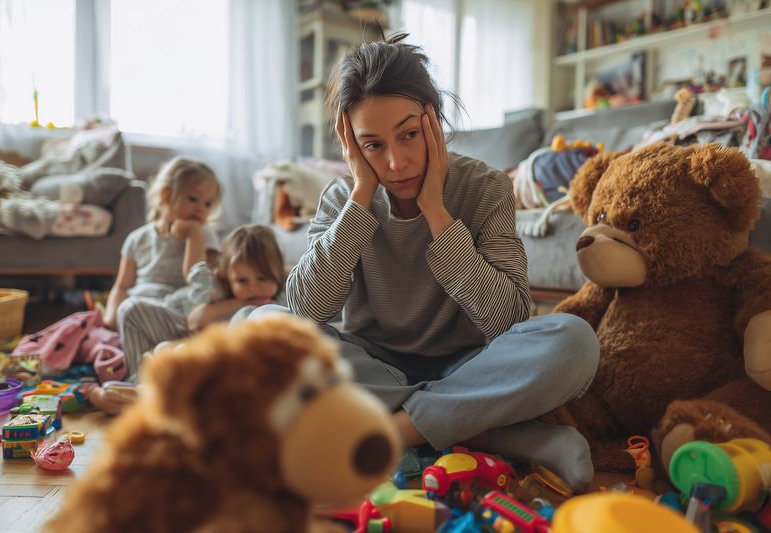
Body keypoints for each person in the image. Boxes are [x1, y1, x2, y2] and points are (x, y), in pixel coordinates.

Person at [263, 33, 600, 491]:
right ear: (351, 146)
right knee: (258, 326)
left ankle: (393, 431)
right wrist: (360, 199)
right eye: (373, 145)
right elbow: (307, 310)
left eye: (409, 135)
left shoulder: (485, 187)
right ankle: (489, 432)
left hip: (468, 366)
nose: (396, 163)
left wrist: (437, 214)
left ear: (434, 121)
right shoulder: (344, 198)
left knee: (575, 341)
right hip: (373, 366)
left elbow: (509, 320)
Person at [89, 156, 221, 412]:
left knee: (131, 308)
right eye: (193, 199)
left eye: (208, 203)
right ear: (166, 195)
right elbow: (122, 286)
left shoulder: (205, 234)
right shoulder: (136, 239)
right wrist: (110, 316)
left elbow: (195, 278)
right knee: (112, 320)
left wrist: (194, 235)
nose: (201, 209)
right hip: (139, 315)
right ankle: (149, 382)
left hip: (178, 315)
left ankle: (139, 384)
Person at [186, 224, 286, 332]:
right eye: (242, 280)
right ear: (227, 278)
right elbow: (194, 321)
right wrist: (243, 303)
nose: (253, 288)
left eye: (262, 278)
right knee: (246, 313)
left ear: (279, 273)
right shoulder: (222, 295)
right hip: (235, 341)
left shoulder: (286, 295)